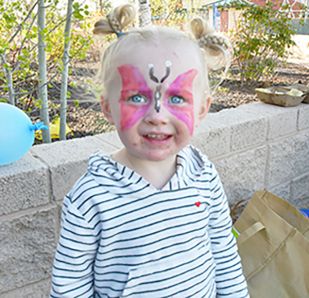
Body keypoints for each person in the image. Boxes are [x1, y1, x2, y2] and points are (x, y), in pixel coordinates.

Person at [50, 4, 249, 298]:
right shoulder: (92, 197)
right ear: (108, 107)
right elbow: (70, 286)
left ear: (203, 108)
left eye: (178, 98)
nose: (157, 115)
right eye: (138, 96)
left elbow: (223, 253)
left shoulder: (204, 175)